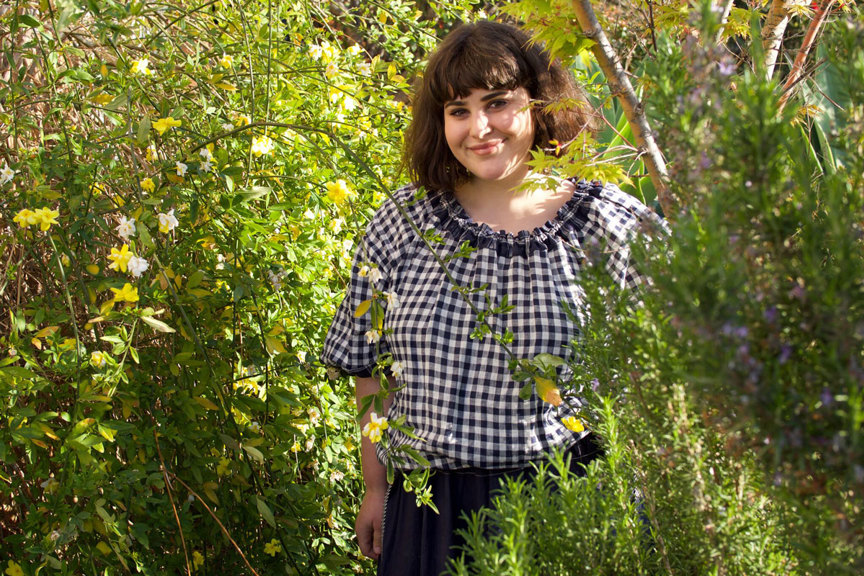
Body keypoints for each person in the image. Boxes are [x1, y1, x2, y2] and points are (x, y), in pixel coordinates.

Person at [322, 20, 663, 576]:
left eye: (498, 102)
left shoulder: (610, 224)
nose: (479, 128)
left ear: (540, 102)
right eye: (458, 110)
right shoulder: (402, 224)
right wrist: (376, 487)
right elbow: (367, 368)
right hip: (429, 516)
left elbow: (674, 371)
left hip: (571, 503)